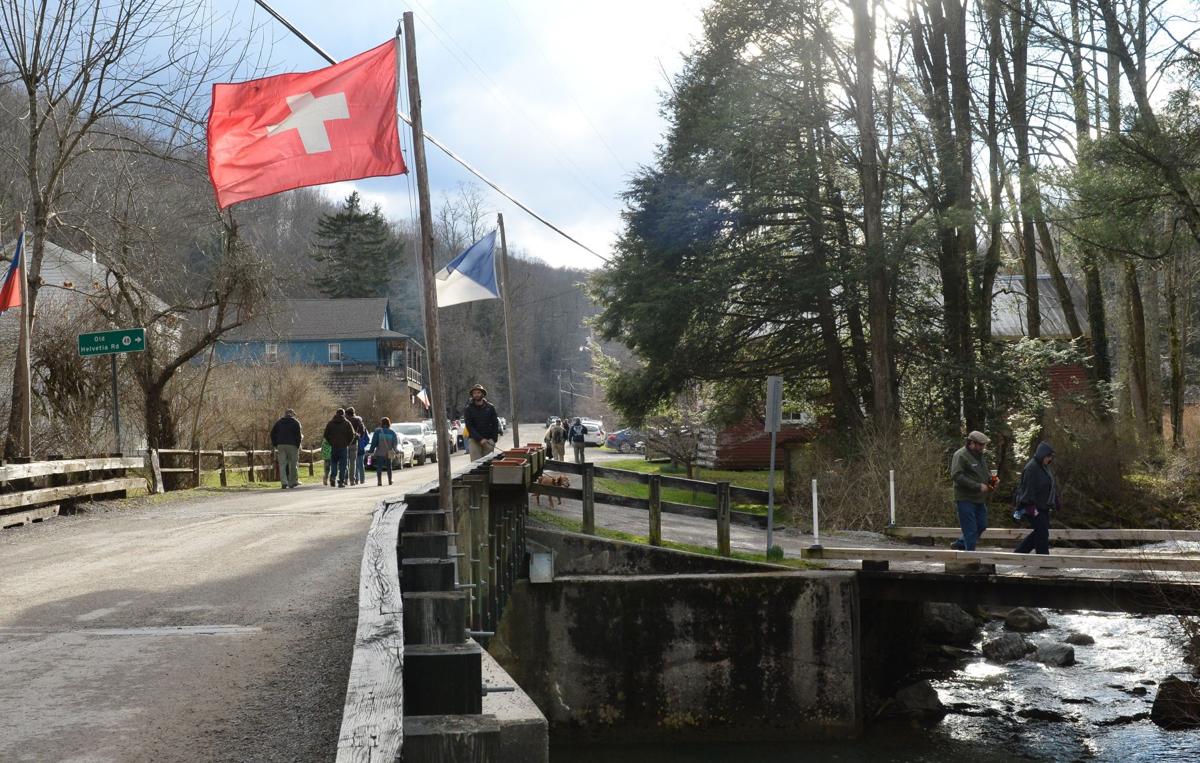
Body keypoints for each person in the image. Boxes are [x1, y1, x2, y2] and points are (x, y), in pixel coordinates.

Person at [950, 430, 996, 551]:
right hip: (965, 498)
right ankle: (970, 560)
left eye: (984, 445)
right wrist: (978, 486)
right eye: (981, 445)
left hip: (979, 499)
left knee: (982, 525)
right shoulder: (960, 455)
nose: (983, 447)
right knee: (970, 530)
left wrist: (992, 480)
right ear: (971, 443)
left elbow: (983, 474)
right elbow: (957, 476)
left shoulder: (980, 457)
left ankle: (960, 543)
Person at [1013, 442, 1058, 555]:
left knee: (1041, 532)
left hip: (1043, 506)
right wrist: (1032, 508)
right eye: (1048, 456)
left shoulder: (1044, 467)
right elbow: (1028, 490)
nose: (1049, 459)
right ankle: (1044, 561)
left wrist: (1055, 500)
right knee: (1042, 532)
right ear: (1042, 455)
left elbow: (1049, 484)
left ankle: (1019, 554)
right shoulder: (1031, 468)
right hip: (1031, 506)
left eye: (1051, 457)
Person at [463, 383, 500, 461]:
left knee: (488, 464)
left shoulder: (490, 407)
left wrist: (493, 439)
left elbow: (495, 424)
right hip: (474, 440)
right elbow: (469, 426)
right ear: (472, 395)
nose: (476, 395)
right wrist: (480, 439)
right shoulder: (468, 409)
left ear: (483, 394)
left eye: (478, 392)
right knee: (476, 465)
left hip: (488, 440)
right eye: (474, 393)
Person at [269, 408, 303, 489]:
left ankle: (284, 482)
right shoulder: (295, 422)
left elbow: (272, 433)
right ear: (292, 414)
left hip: (281, 445)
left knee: (282, 464)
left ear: (285, 414)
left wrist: (275, 444)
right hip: (292, 445)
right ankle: (292, 482)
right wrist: (298, 445)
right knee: (293, 464)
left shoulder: (279, 422)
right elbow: (298, 435)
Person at [323, 408, 356, 488]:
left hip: (334, 446)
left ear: (336, 413)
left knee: (334, 463)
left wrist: (331, 442)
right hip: (343, 447)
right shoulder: (347, 423)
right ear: (344, 414)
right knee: (343, 465)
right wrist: (348, 443)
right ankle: (341, 482)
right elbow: (352, 435)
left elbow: (325, 435)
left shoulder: (330, 423)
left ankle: (333, 477)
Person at [368, 416, 401, 486]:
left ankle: (379, 481)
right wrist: (396, 451)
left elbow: (374, 443)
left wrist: (371, 451)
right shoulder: (392, 432)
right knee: (389, 467)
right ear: (389, 423)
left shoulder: (377, 432)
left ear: (382, 424)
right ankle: (390, 480)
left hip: (380, 452)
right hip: (389, 453)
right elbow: (395, 444)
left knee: (379, 467)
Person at [346, 406, 367, 486]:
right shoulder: (357, 420)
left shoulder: (345, 420)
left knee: (345, 463)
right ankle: (352, 480)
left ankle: (345, 479)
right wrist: (359, 436)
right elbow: (363, 429)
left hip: (345, 443)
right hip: (354, 443)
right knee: (353, 463)